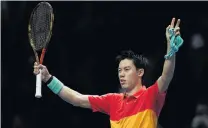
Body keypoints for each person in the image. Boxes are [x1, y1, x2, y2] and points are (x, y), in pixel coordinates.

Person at [33, 17, 182, 128]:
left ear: (140, 72)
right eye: (119, 70)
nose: (121, 74)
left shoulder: (151, 96)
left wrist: (171, 49)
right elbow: (77, 99)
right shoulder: (112, 101)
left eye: (127, 69)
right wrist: (48, 79)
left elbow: (166, 75)